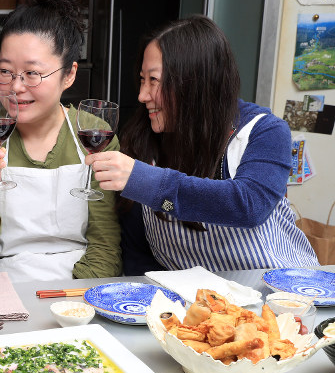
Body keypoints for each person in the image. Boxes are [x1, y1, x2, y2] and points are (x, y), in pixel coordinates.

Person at [88, 15, 318, 273]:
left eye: (154, 80)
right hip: (196, 305)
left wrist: (145, 181)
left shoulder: (264, 131)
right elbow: (137, 250)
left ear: (194, 83)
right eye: (142, 79)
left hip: (280, 296)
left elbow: (249, 206)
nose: (142, 95)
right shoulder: (143, 141)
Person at [0, 0, 122, 282]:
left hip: (76, 289)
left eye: (32, 73)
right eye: (6, 71)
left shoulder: (94, 133)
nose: (16, 87)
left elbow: (104, 245)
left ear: (69, 74)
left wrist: (72, 302)